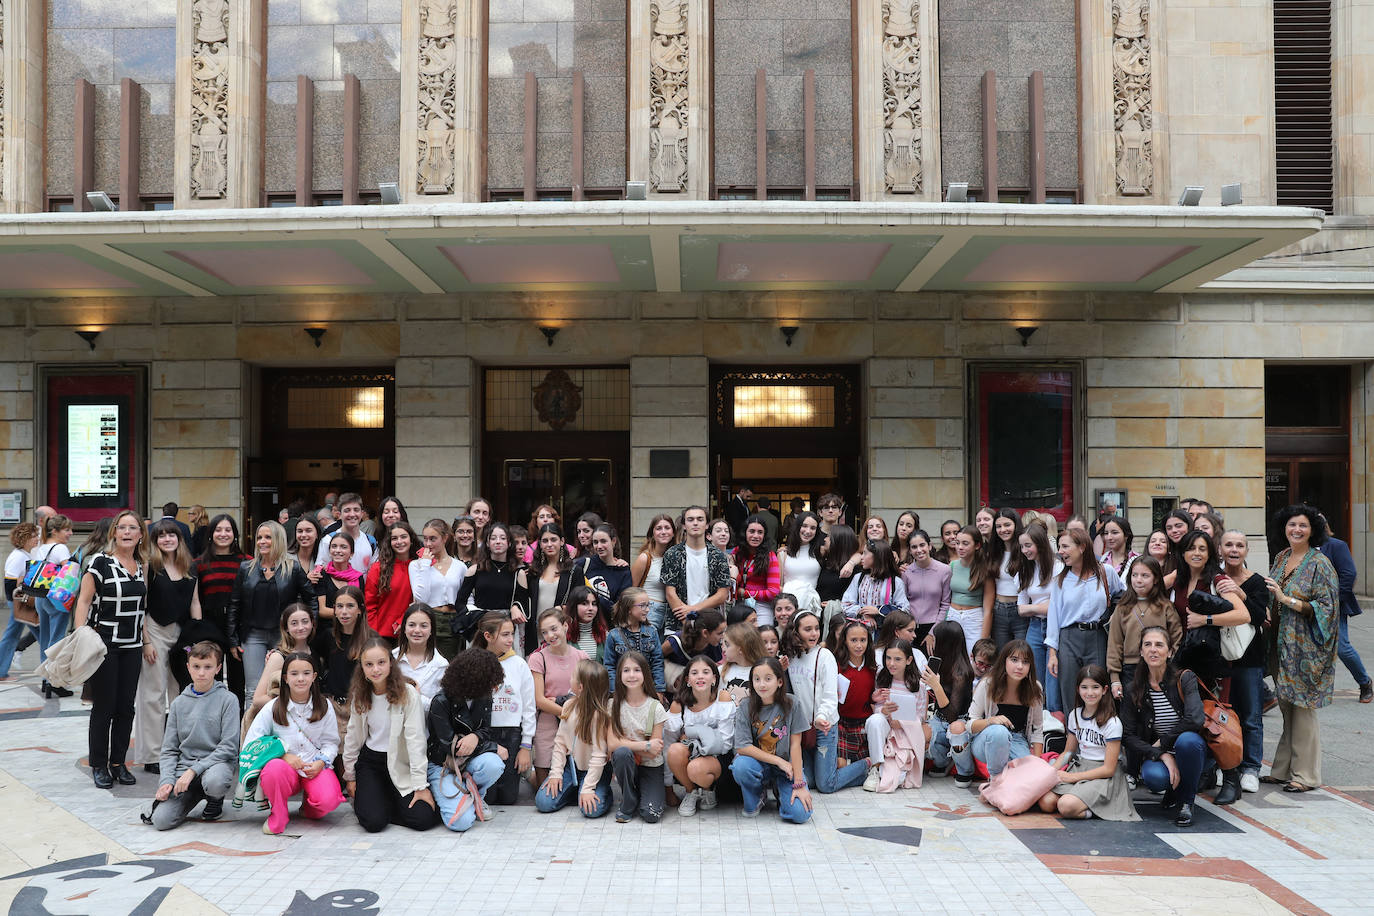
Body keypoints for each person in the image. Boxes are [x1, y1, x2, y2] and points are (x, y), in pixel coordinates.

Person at [1263, 504, 1340, 793]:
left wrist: (1286, 600)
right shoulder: (1282, 556)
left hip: (1307, 649)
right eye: (1292, 524)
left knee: (1303, 708)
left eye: (1303, 526)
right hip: (1280, 645)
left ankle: (1306, 775)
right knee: (1287, 705)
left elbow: (1328, 607)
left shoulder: (1320, 563)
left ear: (1313, 531)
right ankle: (1283, 768)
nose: (1296, 530)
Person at [73, 510, 150, 788]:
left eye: (133, 528)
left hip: (133, 646)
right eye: (122, 527)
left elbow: (141, 609)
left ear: (141, 534)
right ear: (114, 533)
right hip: (104, 644)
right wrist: (81, 634)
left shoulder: (141, 565)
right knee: (104, 707)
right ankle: (99, 764)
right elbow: (83, 601)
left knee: (125, 708)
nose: (127, 532)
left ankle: (118, 763)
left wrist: (147, 641)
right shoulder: (100, 562)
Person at [342, 637, 439, 832]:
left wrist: (420, 786)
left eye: (381, 663)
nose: (375, 669)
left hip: (401, 763)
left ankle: (385, 801)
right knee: (373, 823)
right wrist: (350, 776)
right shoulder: (361, 695)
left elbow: (416, 740)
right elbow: (353, 737)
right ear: (362, 667)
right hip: (372, 763)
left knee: (423, 819)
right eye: (369, 664)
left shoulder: (408, 693)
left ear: (390, 663)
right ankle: (375, 802)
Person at [245, 652, 344, 835]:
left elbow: (331, 743)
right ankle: (278, 813)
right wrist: (283, 756)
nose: (300, 678)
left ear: (314, 677)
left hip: (313, 766)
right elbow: (252, 743)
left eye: (306, 673)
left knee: (327, 800)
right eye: (294, 674)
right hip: (284, 770)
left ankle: (309, 807)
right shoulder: (273, 707)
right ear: (285, 678)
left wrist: (321, 762)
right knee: (274, 768)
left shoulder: (324, 706)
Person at [136, 520, 204, 773]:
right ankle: (152, 755)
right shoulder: (149, 567)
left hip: (183, 634)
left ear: (180, 538)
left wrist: (198, 638)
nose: (166, 539)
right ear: (155, 541)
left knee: (181, 695)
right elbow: (140, 605)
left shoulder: (190, 567)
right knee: (152, 694)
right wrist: (146, 641)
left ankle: (181, 750)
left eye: (171, 535)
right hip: (154, 630)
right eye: (161, 536)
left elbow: (195, 602)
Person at [1121, 626, 1207, 827]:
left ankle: (1187, 801)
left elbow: (1195, 719)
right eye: (1147, 645)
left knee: (1187, 741)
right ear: (1141, 651)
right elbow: (1127, 735)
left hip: (1192, 750)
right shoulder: (1134, 688)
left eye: (1159, 645)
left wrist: (1165, 740)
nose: (1153, 649)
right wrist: (1160, 752)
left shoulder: (1185, 678)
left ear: (1169, 652)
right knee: (1153, 777)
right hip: (1160, 752)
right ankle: (1174, 789)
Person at [148, 641, 240, 829]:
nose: (201, 673)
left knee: (215, 781)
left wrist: (193, 771)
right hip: (185, 770)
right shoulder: (178, 704)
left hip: (215, 765)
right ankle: (192, 795)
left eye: (208, 667)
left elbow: (229, 747)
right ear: (188, 667)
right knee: (160, 821)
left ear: (218, 668)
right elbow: (169, 750)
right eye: (196, 667)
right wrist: (166, 781)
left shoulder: (228, 700)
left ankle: (214, 798)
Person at [1037, 665, 1139, 821]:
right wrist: (1051, 772)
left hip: (1102, 776)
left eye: (1095, 687)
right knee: (1046, 802)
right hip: (1080, 767)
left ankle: (1094, 811)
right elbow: (1069, 752)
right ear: (1078, 689)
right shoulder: (1075, 715)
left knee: (1065, 805)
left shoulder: (1113, 723)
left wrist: (1073, 778)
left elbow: (1109, 769)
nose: (1090, 693)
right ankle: (1084, 802)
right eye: (1084, 687)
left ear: (1104, 690)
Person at [227, 521, 316, 698]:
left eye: (268, 537)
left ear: (278, 540)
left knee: (280, 687)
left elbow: (311, 599)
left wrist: (309, 629)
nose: (262, 541)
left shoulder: (293, 568)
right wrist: (232, 639)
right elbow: (235, 604)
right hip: (252, 636)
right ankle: (251, 726)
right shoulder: (246, 568)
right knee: (253, 690)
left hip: (283, 636)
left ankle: (279, 725)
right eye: (259, 537)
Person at [784, 609, 869, 793]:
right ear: (796, 631)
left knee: (826, 785)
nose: (814, 633)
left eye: (816, 628)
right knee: (810, 782)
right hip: (803, 728)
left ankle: (866, 766)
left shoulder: (824, 656)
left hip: (824, 726)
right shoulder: (790, 657)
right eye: (808, 629)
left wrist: (821, 717)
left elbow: (831, 697)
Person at [425, 648, 507, 832]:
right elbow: (449, 746)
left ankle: (473, 795)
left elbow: (485, 729)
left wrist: (475, 737)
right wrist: (492, 746)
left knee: (493, 764)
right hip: (443, 764)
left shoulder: (483, 696)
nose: (494, 687)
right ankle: (456, 797)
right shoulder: (441, 701)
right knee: (460, 823)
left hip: (469, 761)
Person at [1047, 527, 1123, 715]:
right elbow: (1054, 616)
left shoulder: (1106, 572)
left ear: (1081, 547)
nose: (1060, 551)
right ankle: (1073, 739)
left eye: (1065, 546)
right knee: (1070, 691)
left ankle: (1101, 737)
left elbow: (1122, 596)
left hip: (1097, 636)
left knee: (1098, 688)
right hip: (1069, 638)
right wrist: (1052, 653)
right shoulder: (1060, 580)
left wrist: (1114, 614)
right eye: (1059, 547)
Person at [1218, 529, 1271, 797]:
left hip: (1249, 659)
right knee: (1223, 715)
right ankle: (1227, 765)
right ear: (1221, 549)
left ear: (1247, 551)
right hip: (1220, 659)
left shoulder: (1256, 582)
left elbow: (1260, 616)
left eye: (1239, 545)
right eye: (1229, 545)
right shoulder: (1215, 579)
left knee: (1251, 716)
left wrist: (1239, 593)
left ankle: (1251, 768)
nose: (1234, 550)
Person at [730, 658, 814, 823]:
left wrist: (799, 783)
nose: (762, 684)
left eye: (768, 679)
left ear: (780, 681)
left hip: (787, 767)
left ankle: (781, 790)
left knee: (800, 814)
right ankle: (758, 793)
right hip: (759, 764)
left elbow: (795, 746)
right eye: (757, 679)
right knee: (741, 766)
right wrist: (777, 761)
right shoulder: (746, 706)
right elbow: (742, 747)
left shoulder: (792, 704)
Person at [535, 659, 614, 817]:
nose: (569, 679)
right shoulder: (569, 705)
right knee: (543, 803)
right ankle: (575, 790)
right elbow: (560, 743)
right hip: (571, 769)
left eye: (572, 676)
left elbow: (599, 756)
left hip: (596, 769)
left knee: (591, 810)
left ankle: (602, 792)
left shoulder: (602, 714)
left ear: (580, 687)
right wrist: (556, 773)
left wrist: (588, 788)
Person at [958, 639, 1044, 784]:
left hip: (1017, 741)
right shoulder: (988, 684)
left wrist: (1036, 763)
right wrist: (991, 721)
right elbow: (969, 724)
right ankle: (995, 780)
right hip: (986, 740)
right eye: (1014, 660)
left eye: (1025, 662)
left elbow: (1037, 730)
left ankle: (1008, 779)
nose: (1020, 666)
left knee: (1030, 779)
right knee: (999, 731)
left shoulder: (1035, 688)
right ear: (1004, 661)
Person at [471, 613, 536, 805]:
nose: (510, 640)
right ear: (488, 636)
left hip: (511, 734)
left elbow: (529, 707)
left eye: (512, 634)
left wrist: (526, 746)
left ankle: (526, 775)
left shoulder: (519, 664)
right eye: (505, 634)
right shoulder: (474, 662)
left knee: (508, 799)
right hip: (483, 734)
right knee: (489, 797)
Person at [665, 654, 735, 816]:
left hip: (717, 758)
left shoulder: (722, 697)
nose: (700, 676)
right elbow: (668, 745)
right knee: (675, 750)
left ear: (714, 679)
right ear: (688, 680)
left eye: (706, 672)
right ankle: (691, 792)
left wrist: (693, 737)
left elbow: (725, 744)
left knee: (696, 767)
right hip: (689, 756)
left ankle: (708, 791)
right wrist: (668, 786)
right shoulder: (679, 705)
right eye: (695, 673)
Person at [1107, 557, 1183, 700]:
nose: (1139, 580)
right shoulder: (1122, 608)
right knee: (1133, 711)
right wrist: (1115, 678)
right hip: (1130, 668)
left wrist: (1168, 659)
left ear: (1155, 579)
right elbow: (1114, 643)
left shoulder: (1165, 606)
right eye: (1134, 575)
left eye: (1145, 575)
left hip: (1160, 667)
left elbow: (1176, 636)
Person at [529, 607, 589, 787]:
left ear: (565, 626)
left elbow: (587, 694)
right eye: (544, 632)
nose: (550, 635)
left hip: (576, 721)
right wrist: (567, 711)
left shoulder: (581, 656)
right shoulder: (537, 658)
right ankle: (530, 777)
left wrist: (572, 713)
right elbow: (539, 699)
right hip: (548, 720)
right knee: (543, 787)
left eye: (554, 629)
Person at [605, 651, 667, 823]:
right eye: (626, 670)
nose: (631, 675)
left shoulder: (656, 707)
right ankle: (628, 800)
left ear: (645, 673)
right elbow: (612, 744)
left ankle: (642, 794)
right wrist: (645, 746)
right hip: (628, 763)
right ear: (619, 675)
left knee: (651, 815)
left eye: (636, 670)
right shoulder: (613, 705)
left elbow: (654, 752)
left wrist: (624, 743)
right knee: (621, 754)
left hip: (650, 767)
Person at [1317, 515, 1372, 703]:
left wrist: (1334, 601)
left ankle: (1365, 683)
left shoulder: (1336, 545)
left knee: (1342, 648)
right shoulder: (1300, 548)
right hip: (1307, 607)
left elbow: (1349, 574)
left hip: (1333, 606)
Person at [195, 515, 249, 704]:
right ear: (211, 534)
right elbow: (197, 600)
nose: (223, 534)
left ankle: (239, 726)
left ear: (235, 534)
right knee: (211, 678)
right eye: (218, 530)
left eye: (228, 530)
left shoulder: (247, 562)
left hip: (239, 626)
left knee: (238, 680)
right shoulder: (199, 564)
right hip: (211, 625)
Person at [862, 639, 928, 792]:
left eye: (897, 659)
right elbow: (877, 708)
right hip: (886, 727)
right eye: (888, 658)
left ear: (909, 660)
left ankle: (893, 768)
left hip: (906, 733)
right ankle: (875, 767)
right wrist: (882, 711)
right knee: (874, 720)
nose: (891, 663)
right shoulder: (882, 678)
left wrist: (903, 723)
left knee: (898, 778)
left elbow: (920, 717)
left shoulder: (918, 685)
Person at [244, 603, 317, 734]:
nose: (300, 627)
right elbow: (258, 699)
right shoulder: (278, 657)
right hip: (285, 724)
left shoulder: (317, 653)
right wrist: (293, 704)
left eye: (305, 622)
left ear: (312, 623)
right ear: (286, 628)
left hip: (312, 721)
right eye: (294, 623)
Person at [454, 522, 528, 648]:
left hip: (506, 628)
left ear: (509, 543)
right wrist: (478, 617)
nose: (498, 541)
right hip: (481, 627)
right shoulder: (475, 570)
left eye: (503, 538)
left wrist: (515, 607)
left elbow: (525, 604)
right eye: (493, 538)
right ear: (487, 544)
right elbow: (460, 603)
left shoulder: (518, 573)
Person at [314, 585, 370, 751]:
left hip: (360, 708)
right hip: (333, 707)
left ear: (360, 610)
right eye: (339, 606)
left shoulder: (371, 639)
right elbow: (307, 654)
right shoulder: (328, 636)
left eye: (350, 606)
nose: (344, 611)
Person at [661, 506, 732, 633]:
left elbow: (722, 595)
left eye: (700, 519)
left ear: (706, 525)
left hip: (709, 625)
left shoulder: (719, 556)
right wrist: (688, 622)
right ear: (683, 525)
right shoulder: (672, 554)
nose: (695, 523)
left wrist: (693, 610)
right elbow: (670, 593)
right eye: (690, 519)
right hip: (678, 624)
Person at [1017, 522, 1064, 713]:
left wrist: (1034, 607)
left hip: (1056, 628)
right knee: (1033, 678)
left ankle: (1054, 722)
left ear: (1041, 544)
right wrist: (1042, 607)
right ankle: (1036, 721)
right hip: (1034, 627)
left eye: (1028, 545)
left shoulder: (1058, 567)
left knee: (1053, 677)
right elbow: (1020, 609)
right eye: (1022, 546)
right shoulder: (1024, 570)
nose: (1024, 550)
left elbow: (1058, 607)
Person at [29, 513, 75, 696]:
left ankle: (45, 679)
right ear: (55, 531)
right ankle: (55, 683)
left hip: (41, 596)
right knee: (57, 640)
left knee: (46, 641)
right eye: (67, 529)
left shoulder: (41, 547)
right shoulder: (61, 548)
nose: (70, 533)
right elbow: (68, 571)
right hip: (56, 598)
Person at [923, 621, 974, 778]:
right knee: (921, 733)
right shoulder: (939, 663)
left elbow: (952, 716)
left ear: (945, 643)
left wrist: (936, 687)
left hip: (959, 721)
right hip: (938, 717)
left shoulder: (961, 673)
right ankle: (942, 761)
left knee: (950, 731)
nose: (933, 642)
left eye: (936, 639)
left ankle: (958, 766)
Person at [409, 519, 465, 660]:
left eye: (433, 539)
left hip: (453, 620)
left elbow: (465, 596)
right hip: (429, 618)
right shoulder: (416, 565)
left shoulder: (459, 566)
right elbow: (420, 598)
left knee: (451, 665)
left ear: (445, 538)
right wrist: (426, 564)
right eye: (425, 539)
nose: (428, 544)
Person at [603, 588, 666, 695]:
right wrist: (614, 692)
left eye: (648, 605)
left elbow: (657, 663)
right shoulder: (613, 635)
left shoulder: (652, 632)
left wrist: (659, 690)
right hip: (622, 691)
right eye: (642, 605)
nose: (647, 609)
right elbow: (609, 667)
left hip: (647, 690)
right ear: (628, 608)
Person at [364, 522, 419, 642]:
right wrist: (373, 634)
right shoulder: (378, 568)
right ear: (389, 542)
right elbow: (370, 605)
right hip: (382, 635)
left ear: (411, 539)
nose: (399, 541)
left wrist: (403, 620)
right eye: (394, 538)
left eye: (403, 537)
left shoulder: (420, 567)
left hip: (413, 633)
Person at [0, 523, 42, 680]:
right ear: (24, 538)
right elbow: (10, 583)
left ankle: (1, 671)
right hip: (21, 602)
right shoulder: (19, 557)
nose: (37, 539)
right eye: (34, 536)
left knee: (12, 634)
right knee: (42, 633)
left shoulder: (23, 555)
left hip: (19, 602)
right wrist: (17, 605)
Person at [834, 620, 875, 770]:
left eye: (863, 640)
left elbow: (870, 696)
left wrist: (875, 698)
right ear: (845, 641)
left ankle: (863, 768)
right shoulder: (836, 665)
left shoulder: (872, 667)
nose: (859, 645)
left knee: (871, 760)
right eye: (853, 640)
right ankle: (859, 769)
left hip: (863, 723)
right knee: (840, 764)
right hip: (841, 723)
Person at [948, 525, 994, 654]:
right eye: (957, 543)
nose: (960, 547)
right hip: (953, 615)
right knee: (951, 659)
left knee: (973, 659)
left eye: (965, 543)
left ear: (977, 545)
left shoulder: (985, 569)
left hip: (974, 618)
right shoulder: (952, 565)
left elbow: (988, 610)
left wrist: (983, 642)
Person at [901, 529, 951, 647]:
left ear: (929, 546)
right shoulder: (906, 572)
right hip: (910, 628)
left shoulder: (944, 570)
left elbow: (945, 604)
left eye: (922, 545)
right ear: (910, 550)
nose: (919, 550)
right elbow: (904, 602)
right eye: (914, 547)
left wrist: (932, 633)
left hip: (935, 626)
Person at [394, 604, 447, 713]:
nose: (417, 630)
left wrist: (415, 697)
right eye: (412, 625)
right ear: (404, 627)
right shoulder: (391, 659)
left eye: (423, 626)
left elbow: (442, 709)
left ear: (431, 630)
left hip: (424, 728)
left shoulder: (441, 665)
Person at [841, 538, 908, 626]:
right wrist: (863, 613)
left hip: (885, 633)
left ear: (877, 556)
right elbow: (846, 604)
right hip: (861, 632)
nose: (861, 557)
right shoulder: (858, 578)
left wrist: (879, 610)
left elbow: (904, 609)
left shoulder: (895, 582)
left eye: (865, 553)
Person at [577, 524, 634, 623]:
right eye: (595, 542)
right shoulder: (584, 564)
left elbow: (621, 608)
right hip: (584, 627)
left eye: (603, 541)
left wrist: (596, 598)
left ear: (613, 541)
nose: (599, 546)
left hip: (609, 629)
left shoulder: (623, 571)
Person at [632, 514, 677, 634]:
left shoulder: (677, 558)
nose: (663, 532)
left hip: (670, 613)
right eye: (658, 528)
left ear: (673, 533)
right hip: (649, 610)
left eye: (667, 528)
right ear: (652, 534)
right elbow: (632, 590)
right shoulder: (645, 558)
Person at [988, 509, 1027, 647]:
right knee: (1001, 655)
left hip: (1020, 609)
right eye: (998, 526)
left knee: (1022, 652)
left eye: (1007, 525)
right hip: (998, 609)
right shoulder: (993, 552)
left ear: (1016, 525)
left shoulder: (1025, 551)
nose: (1003, 529)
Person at [733, 515, 781, 625]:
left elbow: (773, 592)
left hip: (761, 605)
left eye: (760, 532)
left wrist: (745, 593)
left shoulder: (770, 556)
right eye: (752, 531)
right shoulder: (736, 553)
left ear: (764, 536)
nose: (756, 536)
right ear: (745, 533)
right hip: (738, 604)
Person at [315, 494, 377, 574]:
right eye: (347, 510)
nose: (352, 514)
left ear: (362, 514)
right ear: (339, 514)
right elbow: (320, 571)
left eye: (356, 510)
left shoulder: (370, 541)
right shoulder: (328, 540)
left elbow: (374, 572)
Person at [778, 510, 823, 614]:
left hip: (811, 608)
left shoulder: (820, 551)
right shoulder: (783, 553)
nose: (808, 531)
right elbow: (778, 585)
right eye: (804, 526)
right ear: (797, 527)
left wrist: (850, 563)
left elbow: (856, 552)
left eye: (813, 528)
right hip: (788, 609)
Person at [719, 621, 767, 702]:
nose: (722, 647)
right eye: (722, 643)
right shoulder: (722, 670)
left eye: (727, 644)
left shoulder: (763, 670)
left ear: (741, 649)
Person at [567, 585, 607, 662]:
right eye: (584, 603)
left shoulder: (606, 635)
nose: (591, 608)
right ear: (574, 606)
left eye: (594, 604)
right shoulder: (563, 635)